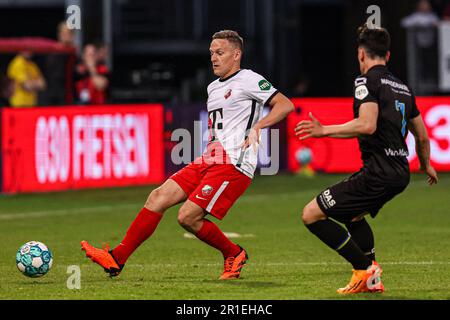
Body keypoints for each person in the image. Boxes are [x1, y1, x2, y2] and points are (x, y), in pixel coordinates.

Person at [81, 30, 294, 279]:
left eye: (220, 52)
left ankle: (234, 253)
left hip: (235, 162)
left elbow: (285, 104)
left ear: (236, 55)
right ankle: (117, 258)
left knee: (188, 217)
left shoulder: (249, 79)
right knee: (157, 197)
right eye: (211, 53)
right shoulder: (213, 87)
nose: (214, 58)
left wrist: (258, 127)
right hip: (210, 158)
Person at [295, 24, 438, 294]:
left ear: (361, 54)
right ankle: (371, 282)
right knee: (353, 216)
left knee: (311, 214)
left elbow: (367, 125)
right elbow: (422, 136)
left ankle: (365, 269)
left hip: (379, 173)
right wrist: (426, 164)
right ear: (388, 55)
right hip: (399, 172)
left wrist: (324, 130)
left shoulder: (366, 81)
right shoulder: (404, 88)